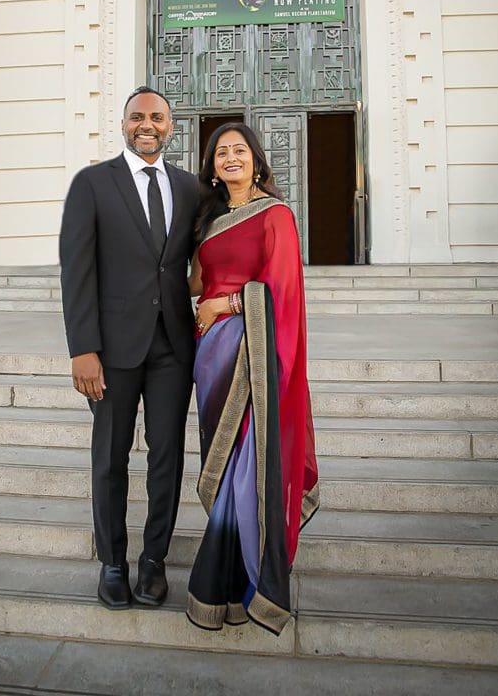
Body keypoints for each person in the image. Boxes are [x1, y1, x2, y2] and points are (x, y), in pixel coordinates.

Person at [60, 86, 198, 610]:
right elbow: (77, 271)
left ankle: (153, 562)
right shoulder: (92, 184)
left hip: (172, 349)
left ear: (170, 125)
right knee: (110, 459)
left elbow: (199, 257)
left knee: (167, 459)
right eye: (138, 117)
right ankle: (113, 562)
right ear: (123, 125)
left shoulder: (188, 188)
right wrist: (82, 349)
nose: (148, 125)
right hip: (112, 351)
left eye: (157, 117)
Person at [187, 123, 319, 634]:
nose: (230, 158)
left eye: (239, 149)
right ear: (213, 167)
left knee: (247, 466)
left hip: (251, 354)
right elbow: (195, 280)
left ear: (257, 160)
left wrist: (228, 302)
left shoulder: (276, 215)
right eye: (221, 152)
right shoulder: (211, 220)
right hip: (211, 359)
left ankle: (241, 583)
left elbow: (283, 289)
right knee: (225, 463)